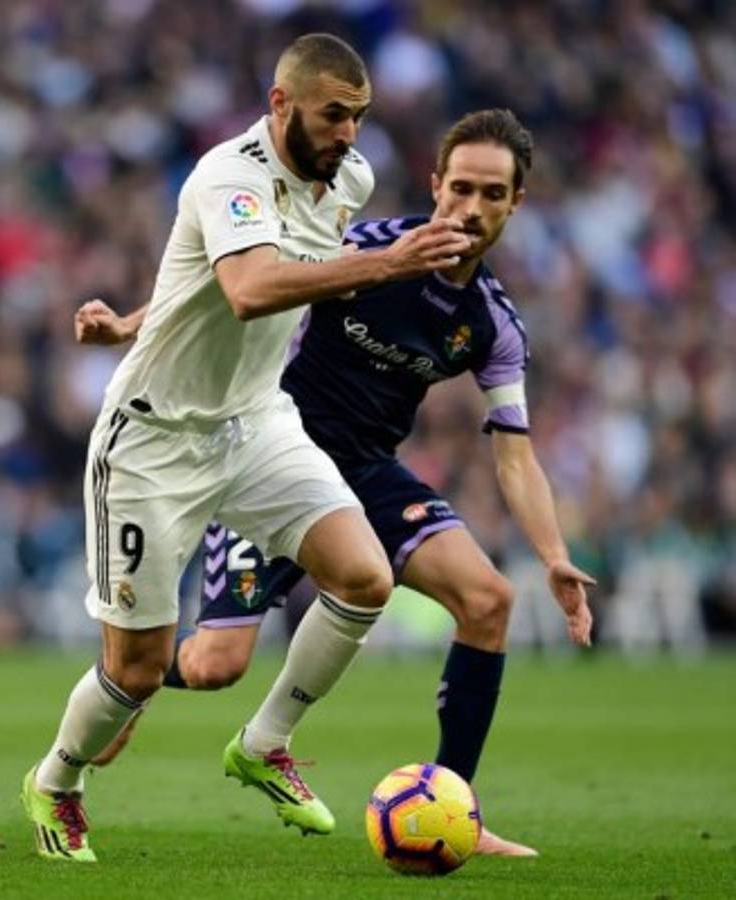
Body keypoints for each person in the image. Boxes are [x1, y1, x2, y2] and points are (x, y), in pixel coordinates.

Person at [77, 109, 595, 856]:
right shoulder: (370, 249)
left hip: (360, 476)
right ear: (434, 186)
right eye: (458, 189)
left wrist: (551, 554)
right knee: (212, 665)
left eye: (490, 194)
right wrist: (130, 325)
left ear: (516, 202)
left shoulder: (492, 324)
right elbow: (237, 276)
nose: (469, 209)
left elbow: (515, 455)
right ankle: (131, 679)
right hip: (265, 458)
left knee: (488, 600)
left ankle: (456, 809)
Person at [21, 33, 478, 863]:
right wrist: (382, 264)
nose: (348, 134)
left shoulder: (352, 178)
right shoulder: (227, 174)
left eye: (359, 117)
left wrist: (130, 320)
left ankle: (263, 744)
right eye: (333, 115)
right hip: (153, 439)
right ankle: (55, 782)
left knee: (365, 576)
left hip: (255, 421)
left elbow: (222, 280)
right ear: (280, 105)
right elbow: (245, 288)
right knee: (136, 666)